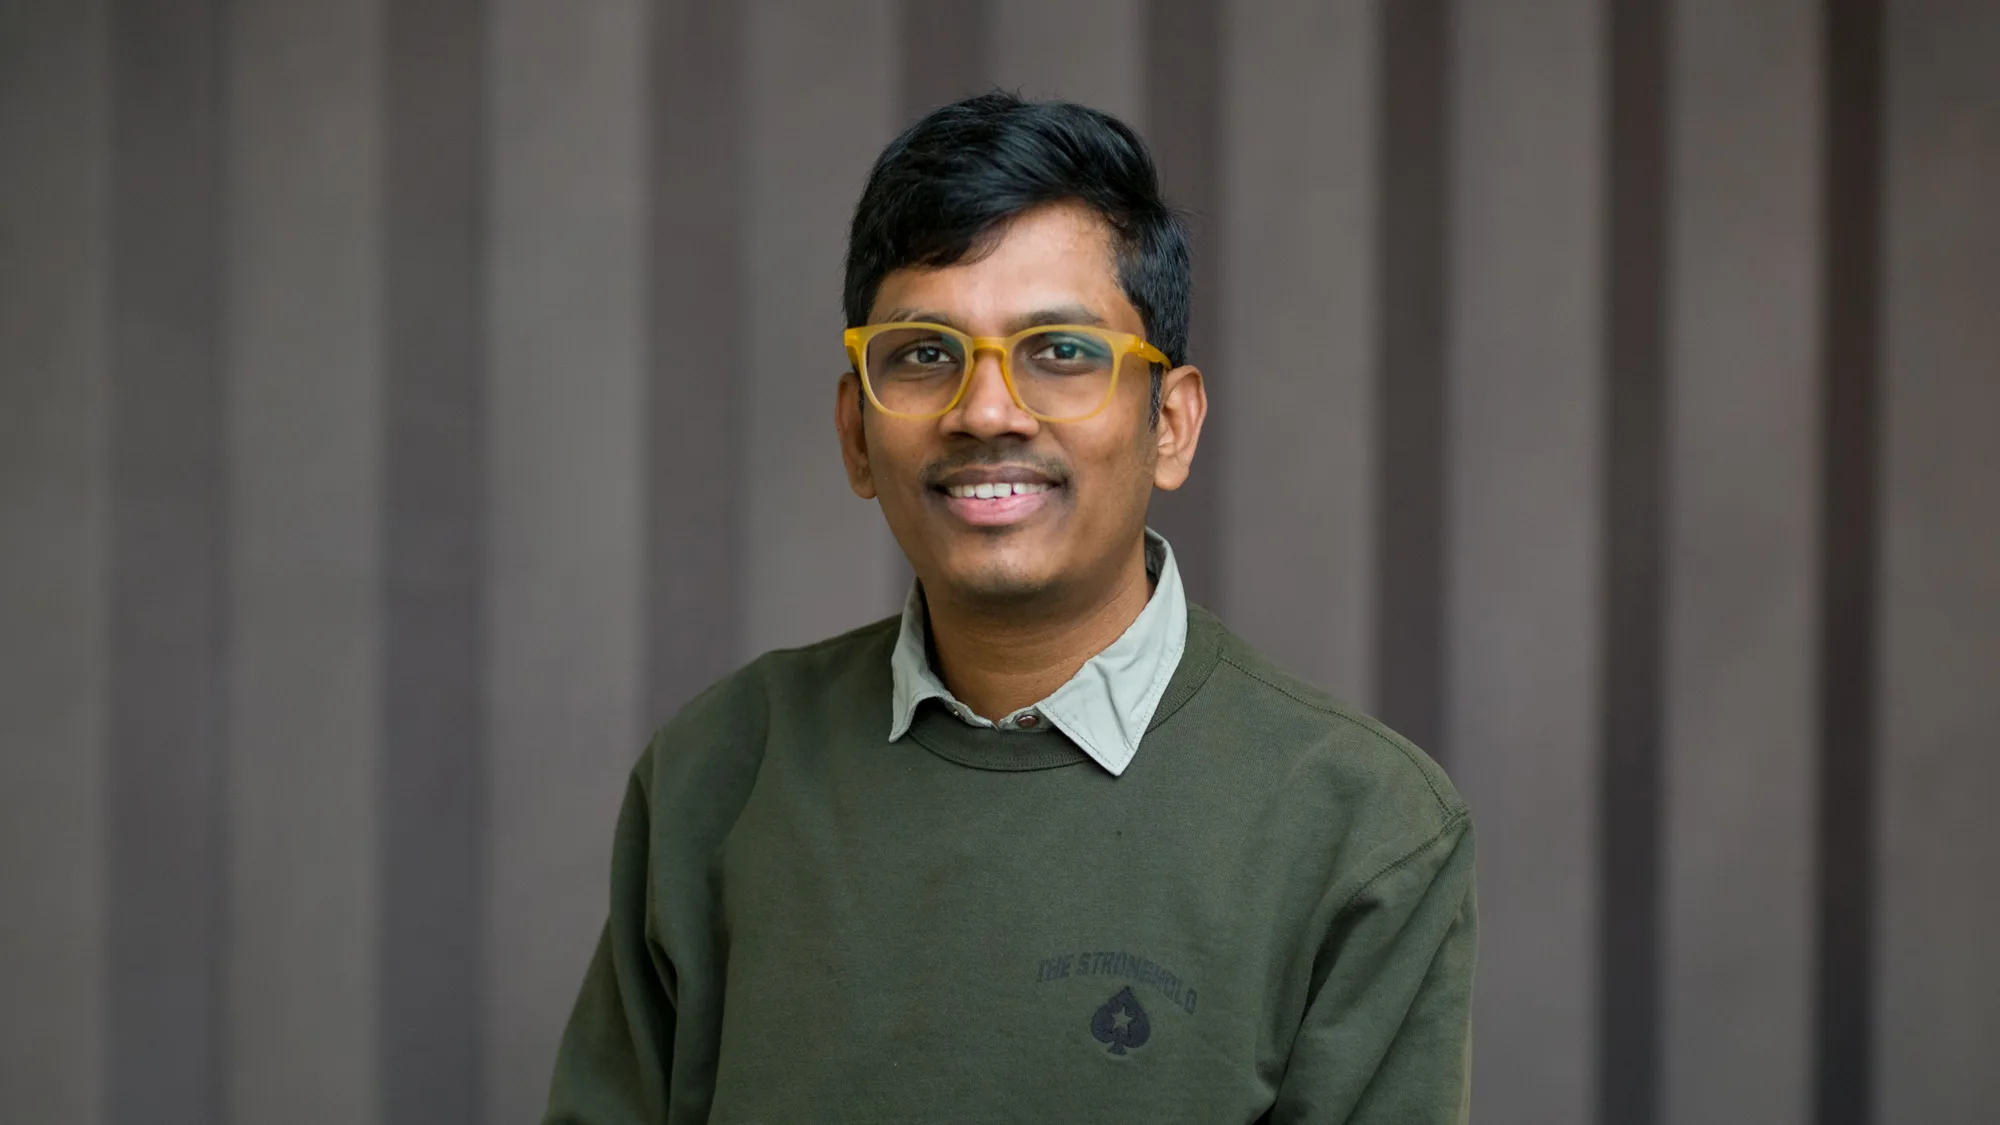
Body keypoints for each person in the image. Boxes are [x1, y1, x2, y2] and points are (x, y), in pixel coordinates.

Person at [544, 92, 1476, 1124]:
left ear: (1169, 424)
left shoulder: (1361, 826)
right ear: (856, 432)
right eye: (923, 354)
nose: (985, 410)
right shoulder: (715, 774)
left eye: (1061, 353)